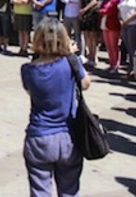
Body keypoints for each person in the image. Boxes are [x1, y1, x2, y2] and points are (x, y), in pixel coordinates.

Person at [21, 18, 90, 197]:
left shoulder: (28, 69)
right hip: (68, 136)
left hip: (39, 136)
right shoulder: (70, 63)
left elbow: (31, 93)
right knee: (70, 190)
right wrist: (71, 55)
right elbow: (85, 84)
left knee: (40, 190)